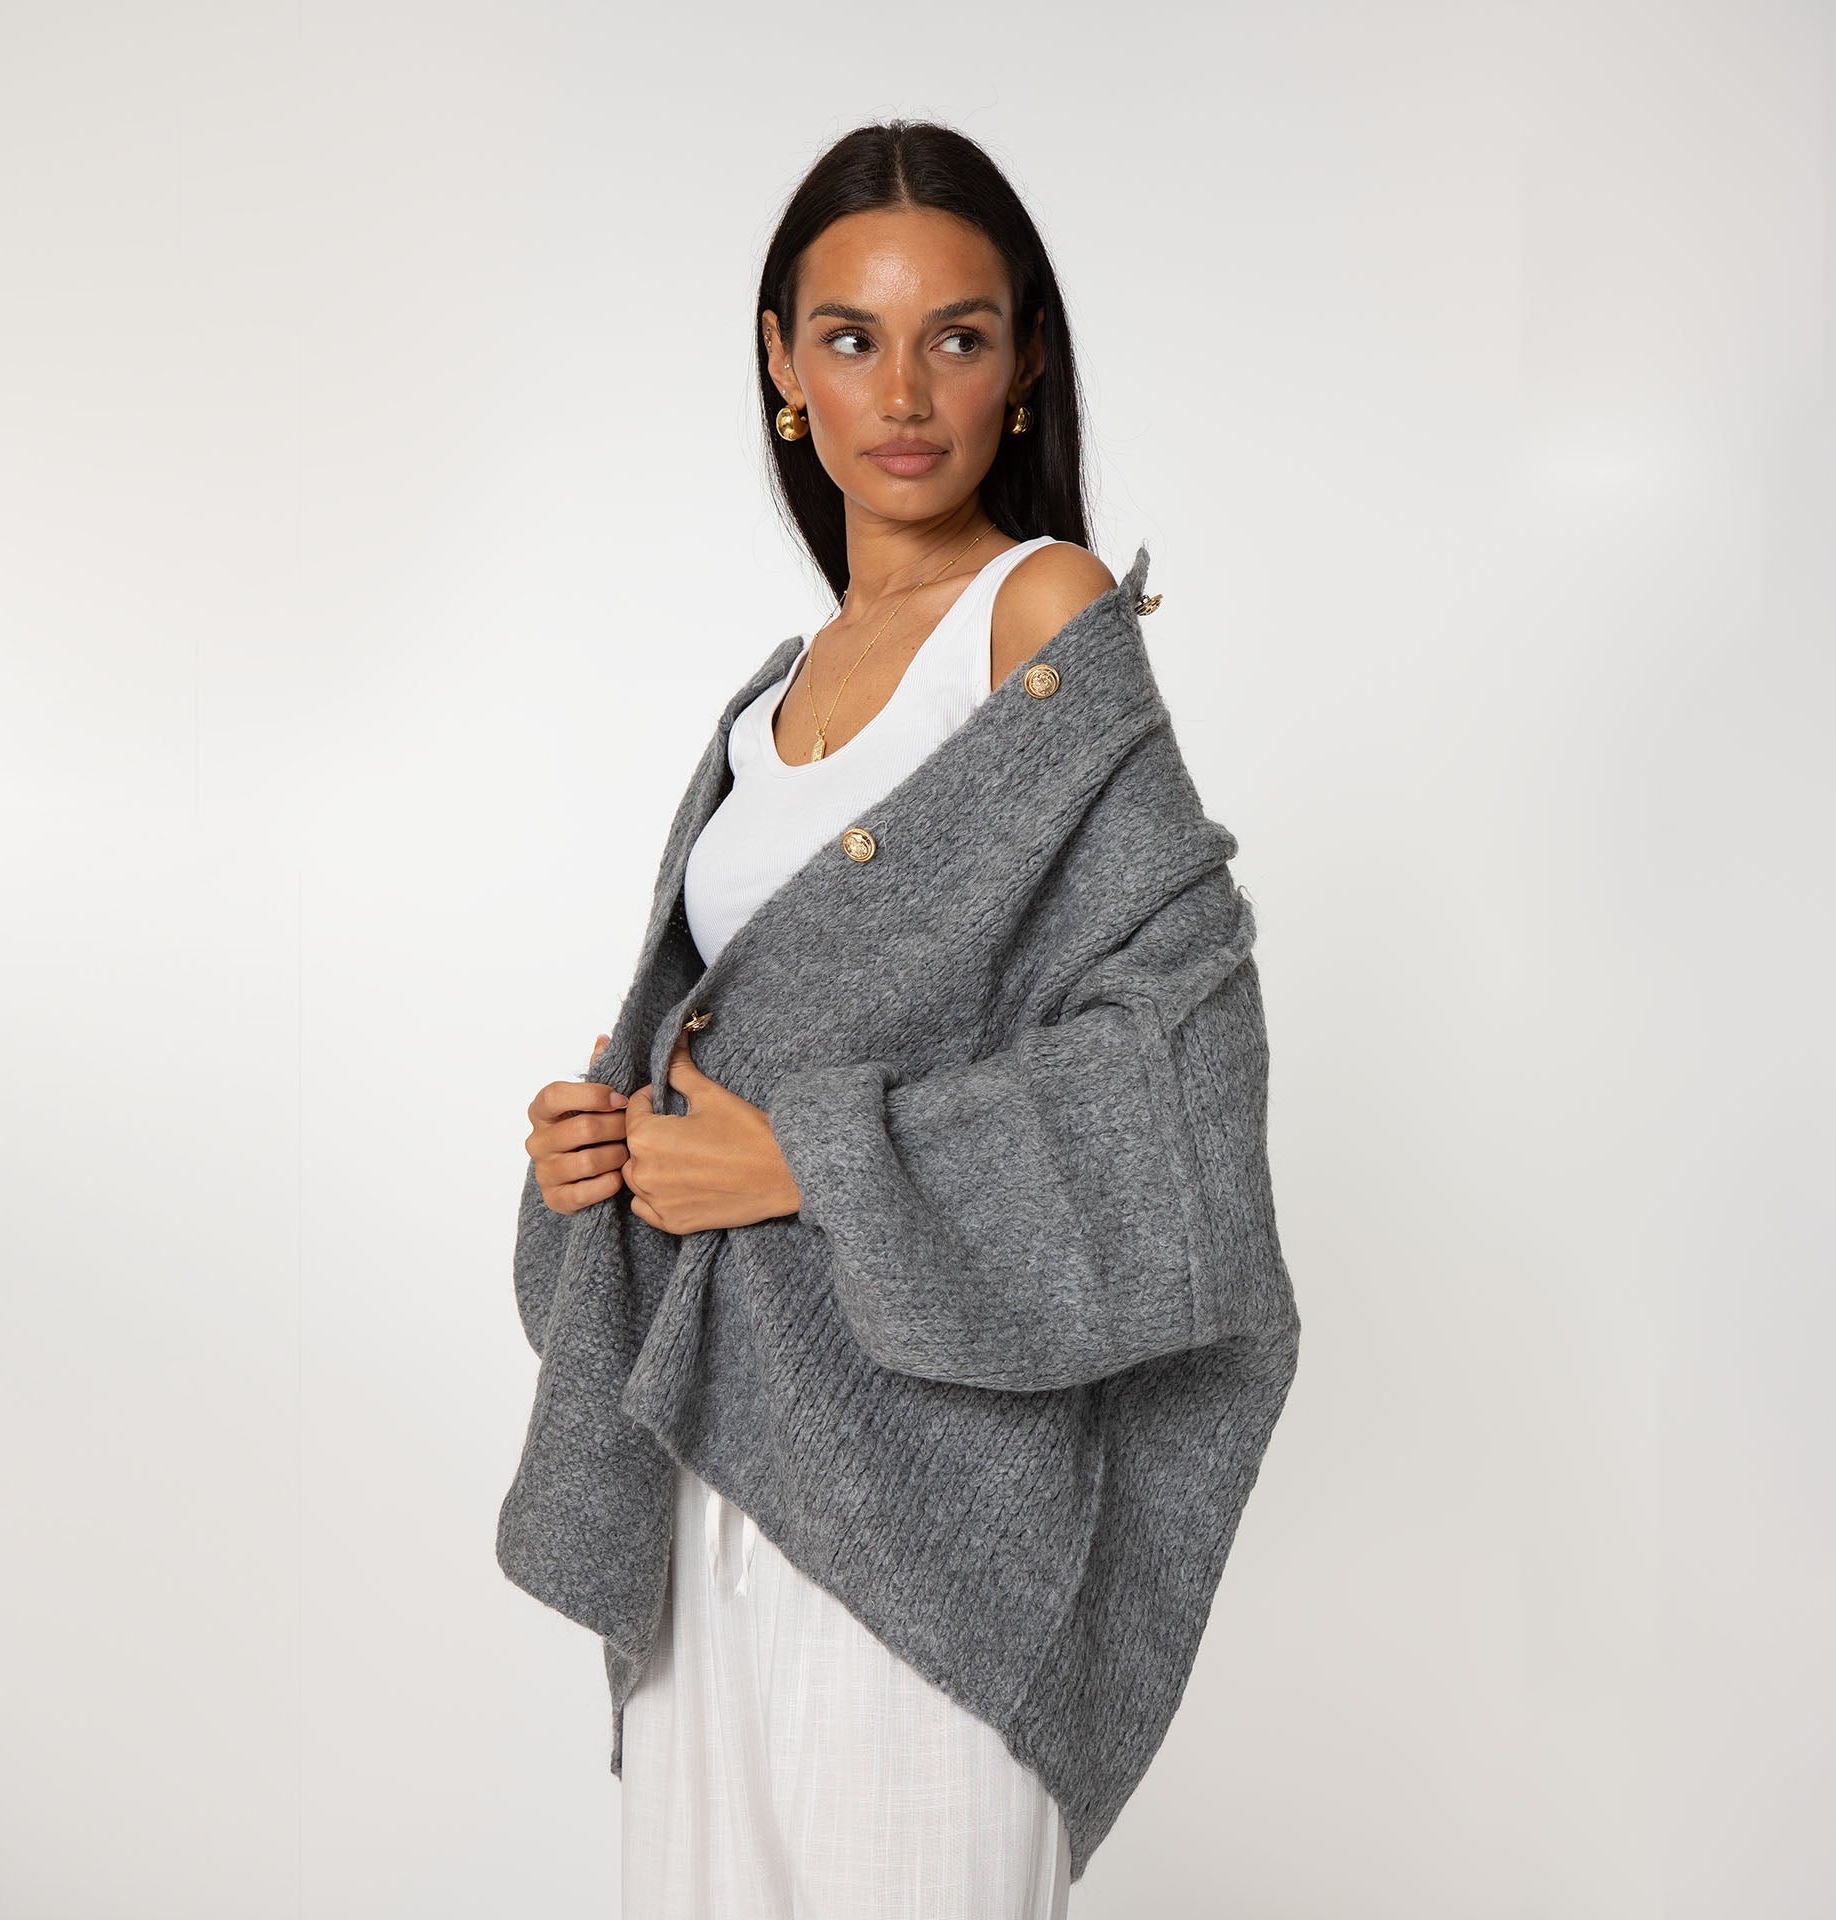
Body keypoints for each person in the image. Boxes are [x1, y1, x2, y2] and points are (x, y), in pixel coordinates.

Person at [510, 119, 1298, 1917]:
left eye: (958, 333)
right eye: (852, 337)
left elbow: (1184, 1062)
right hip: (716, 1448)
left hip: (928, 1489)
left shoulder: (1041, 611)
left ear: (1026, 363)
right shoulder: (768, 695)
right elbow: (724, 1031)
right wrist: (598, 1141)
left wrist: (811, 1162)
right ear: (784, 366)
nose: (906, 390)